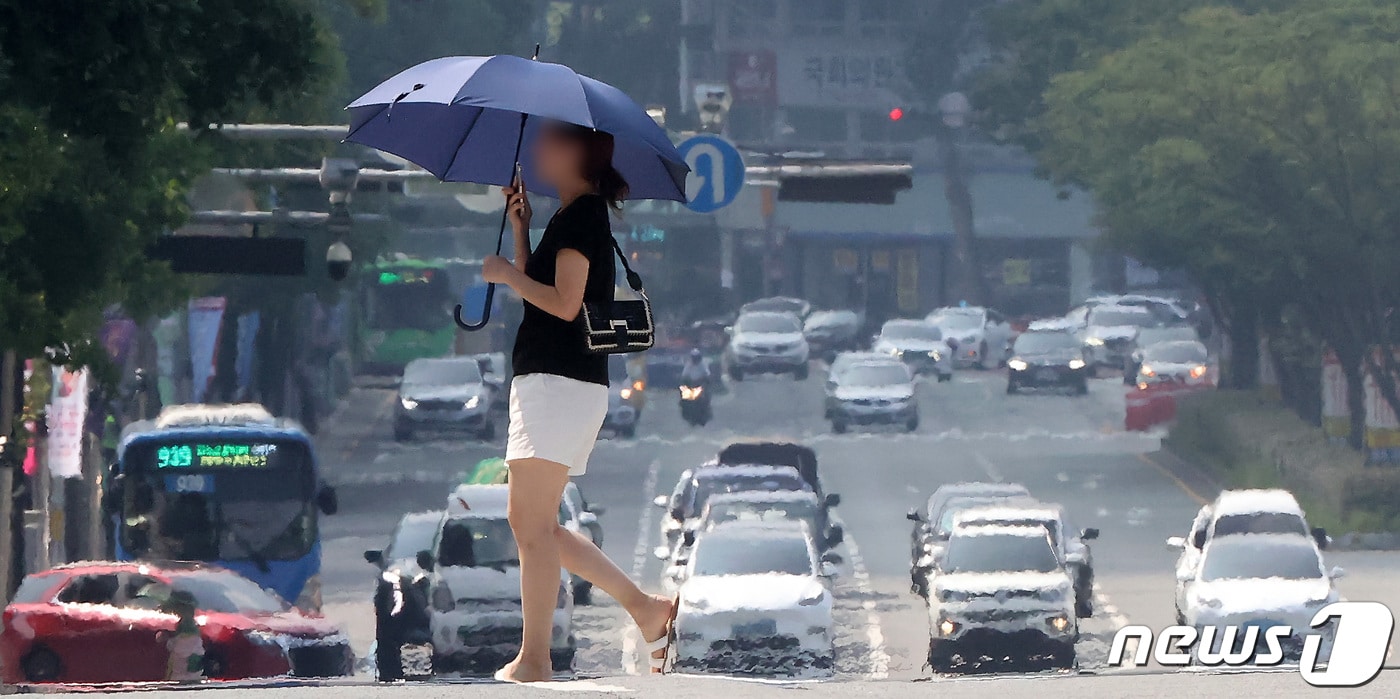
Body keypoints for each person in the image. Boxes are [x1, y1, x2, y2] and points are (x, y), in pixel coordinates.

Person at [480, 121, 676, 683]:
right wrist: (522, 232)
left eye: (551, 141)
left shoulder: (584, 215)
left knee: (529, 522)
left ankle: (537, 657)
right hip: (552, 383)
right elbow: (554, 299)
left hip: (558, 383)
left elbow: (565, 306)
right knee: (536, 524)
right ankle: (646, 610)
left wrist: (506, 274)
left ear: (579, 155)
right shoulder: (569, 217)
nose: (538, 149)